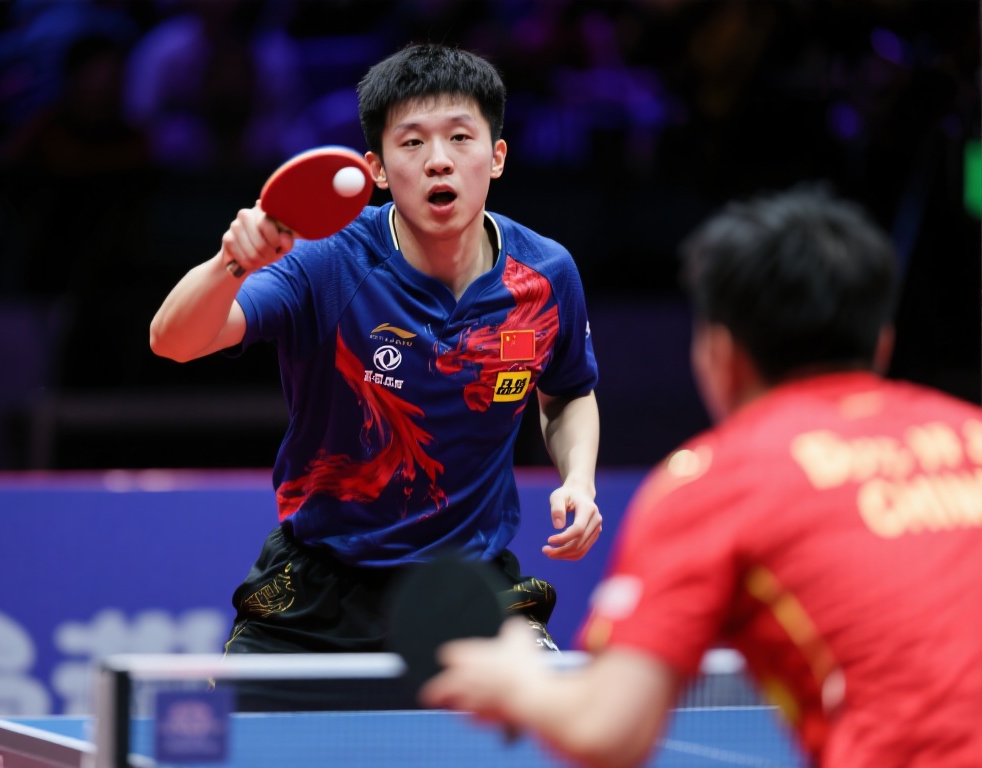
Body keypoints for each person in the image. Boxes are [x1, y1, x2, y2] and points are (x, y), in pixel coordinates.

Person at [421, 185, 982, 768]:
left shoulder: (718, 484)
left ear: (720, 352)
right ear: (883, 345)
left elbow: (606, 729)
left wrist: (519, 679)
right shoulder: (973, 432)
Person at [149, 43, 602, 660]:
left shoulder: (547, 275)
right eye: (412, 142)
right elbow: (172, 341)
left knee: (545, 719)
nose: (438, 160)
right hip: (319, 589)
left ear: (496, 156)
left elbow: (568, 390)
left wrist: (579, 480)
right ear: (377, 169)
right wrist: (231, 263)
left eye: (460, 138)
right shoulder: (327, 259)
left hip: (468, 587)